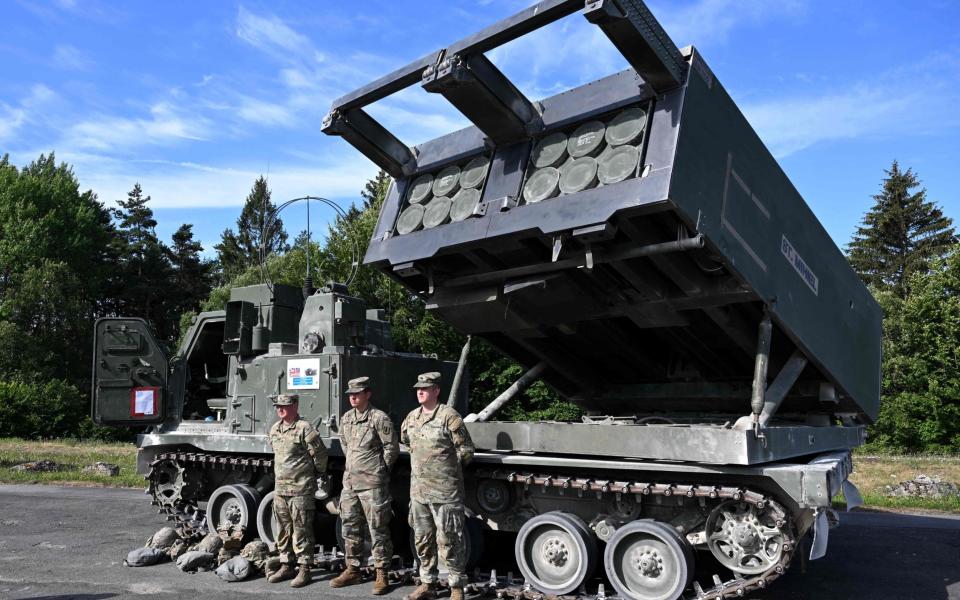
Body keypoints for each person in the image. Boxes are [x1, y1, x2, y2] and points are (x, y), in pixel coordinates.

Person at [401, 372, 475, 600]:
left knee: (450, 541)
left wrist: (447, 471)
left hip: (445, 493)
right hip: (419, 492)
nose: (420, 391)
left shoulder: (449, 417)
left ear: (436, 391)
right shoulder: (411, 418)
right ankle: (428, 584)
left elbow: (466, 451)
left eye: (425, 388)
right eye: (418, 388)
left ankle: (456, 587)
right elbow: (405, 441)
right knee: (422, 540)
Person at [330, 376, 399, 595]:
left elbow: (391, 448)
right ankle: (353, 569)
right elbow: (344, 444)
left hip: (373, 485)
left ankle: (382, 573)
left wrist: (379, 469)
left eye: (356, 394)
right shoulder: (347, 418)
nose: (352, 398)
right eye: (350, 394)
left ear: (367, 394)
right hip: (350, 483)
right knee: (349, 526)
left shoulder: (379, 418)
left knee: (378, 529)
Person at [267, 393, 328, 588]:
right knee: (283, 530)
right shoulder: (275, 429)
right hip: (281, 489)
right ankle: (286, 565)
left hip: (301, 489)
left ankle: (304, 569)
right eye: (278, 406)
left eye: (284, 405)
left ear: (295, 406)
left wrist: (316, 474)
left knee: (302, 530)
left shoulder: (305, 428)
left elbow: (320, 455)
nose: (280, 409)